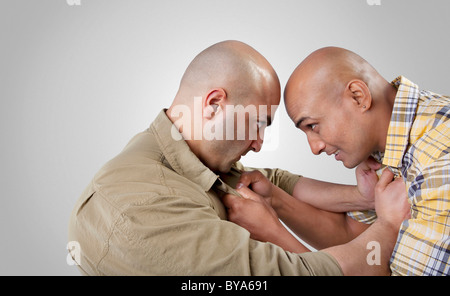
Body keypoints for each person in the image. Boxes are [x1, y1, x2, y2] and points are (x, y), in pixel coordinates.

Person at [68, 41, 409, 276]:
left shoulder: (183, 155)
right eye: (258, 124)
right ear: (214, 104)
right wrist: (389, 225)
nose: (259, 144)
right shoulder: (143, 207)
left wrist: (362, 197)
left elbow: (270, 183)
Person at [278, 46, 449, 276]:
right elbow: (357, 238)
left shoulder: (440, 156)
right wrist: (273, 200)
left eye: (313, 126)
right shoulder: (390, 143)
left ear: (359, 97)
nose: (314, 148)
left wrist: (272, 232)